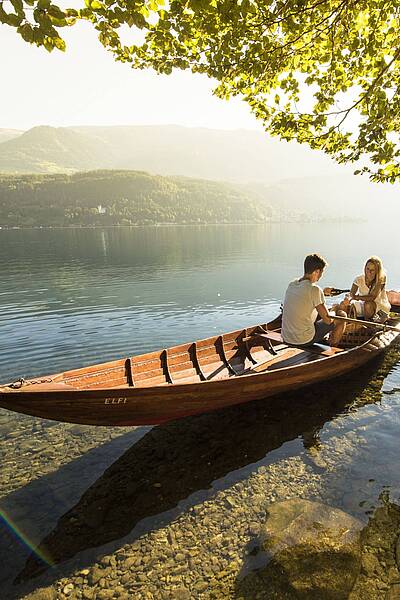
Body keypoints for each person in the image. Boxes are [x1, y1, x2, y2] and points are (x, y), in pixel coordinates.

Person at [282, 253, 346, 347]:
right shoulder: (314, 290)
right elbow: (328, 320)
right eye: (321, 272)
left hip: (286, 337)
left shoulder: (292, 284)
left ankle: (325, 338)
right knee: (341, 316)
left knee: (318, 314)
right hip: (303, 340)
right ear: (316, 272)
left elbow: (305, 296)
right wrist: (334, 310)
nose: (321, 276)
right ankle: (333, 348)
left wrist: (322, 294)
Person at [348, 256, 391, 321]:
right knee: (347, 305)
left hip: (380, 308)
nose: (369, 272)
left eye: (372, 270)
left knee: (368, 304)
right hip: (364, 306)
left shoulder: (381, 279)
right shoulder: (358, 279)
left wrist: (357, 297)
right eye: (367, 269)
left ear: (377, 271)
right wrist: (350, 298)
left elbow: (372, 297)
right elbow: (351, 294)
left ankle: (368, 324)